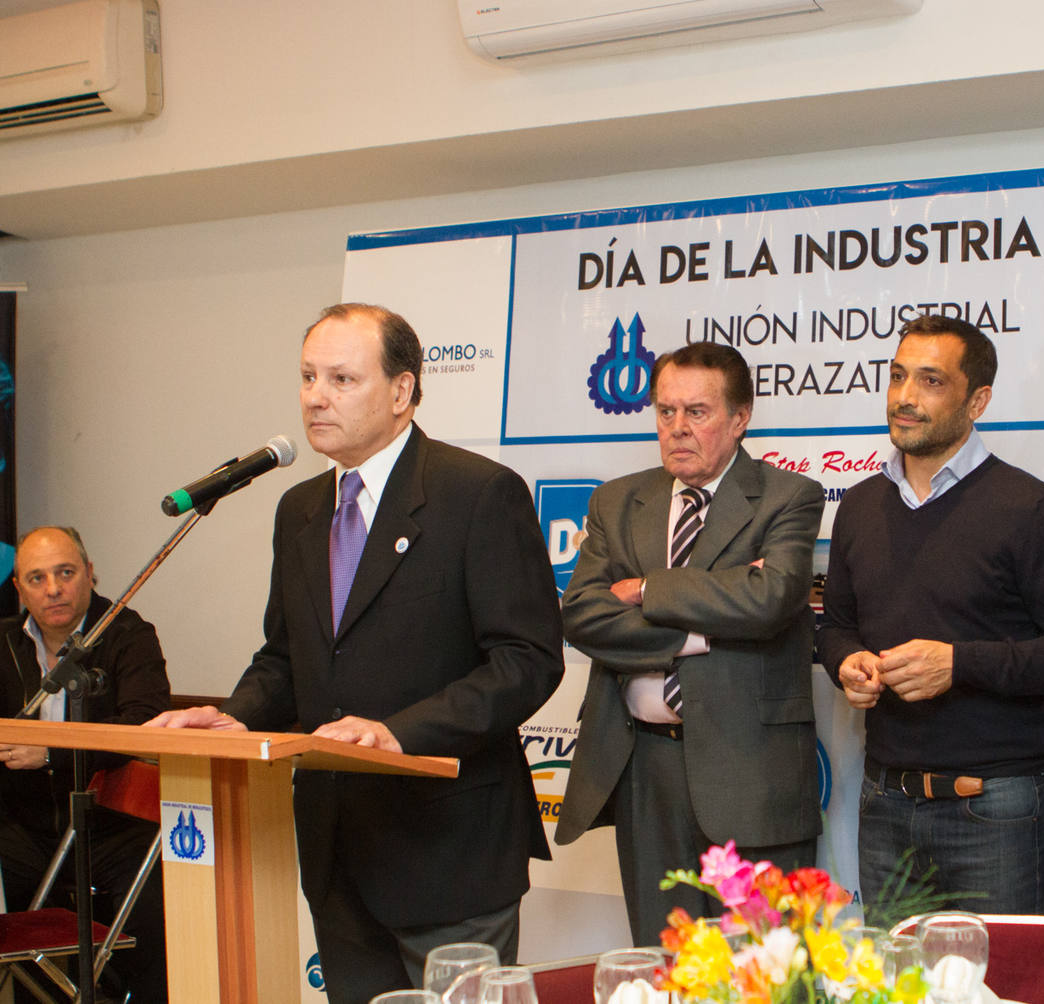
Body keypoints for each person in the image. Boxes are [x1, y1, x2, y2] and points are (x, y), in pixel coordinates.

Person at [148, 303, 564, 1004]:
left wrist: (399, 731)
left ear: (401, 392)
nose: (315, 396)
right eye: (309, 376)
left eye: (342, 378)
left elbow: (527, 660)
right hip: (336, 847)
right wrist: (238, 719)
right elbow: (285, 657)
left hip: (448, 847)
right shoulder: (301, 509)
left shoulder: (477, 494)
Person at [816, 314, 1044, 917]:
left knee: (996, 985)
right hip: (884, 801)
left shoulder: (1031, 509)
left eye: (930, 381)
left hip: (995, 807)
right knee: (892, 989)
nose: (903, 397)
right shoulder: (861, 505)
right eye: (898, 376)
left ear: (977, 400)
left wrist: (959, 664)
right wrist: (846, 662)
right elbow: (835, 627)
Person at [554, 341, 824, 945]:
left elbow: (770, 599)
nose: (677, 428)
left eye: (696, 413)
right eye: (665, 412)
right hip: (642, 767)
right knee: (664, 962)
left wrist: (648, 588)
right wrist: (706, 627)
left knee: (762, 970)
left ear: (739, 418)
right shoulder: (619, 500)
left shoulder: (789, 497)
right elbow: (583, 615)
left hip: (749, 768)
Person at [0, 526, 170, 1002]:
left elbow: (141, 723)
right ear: (19, 588)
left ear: (90, 574)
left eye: (65, 573)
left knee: (154, 890)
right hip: (23, 825)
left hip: (109, 824)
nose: (52, 588)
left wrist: (53, 755)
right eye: (36, 578)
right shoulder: (4, 642)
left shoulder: (127, 634)